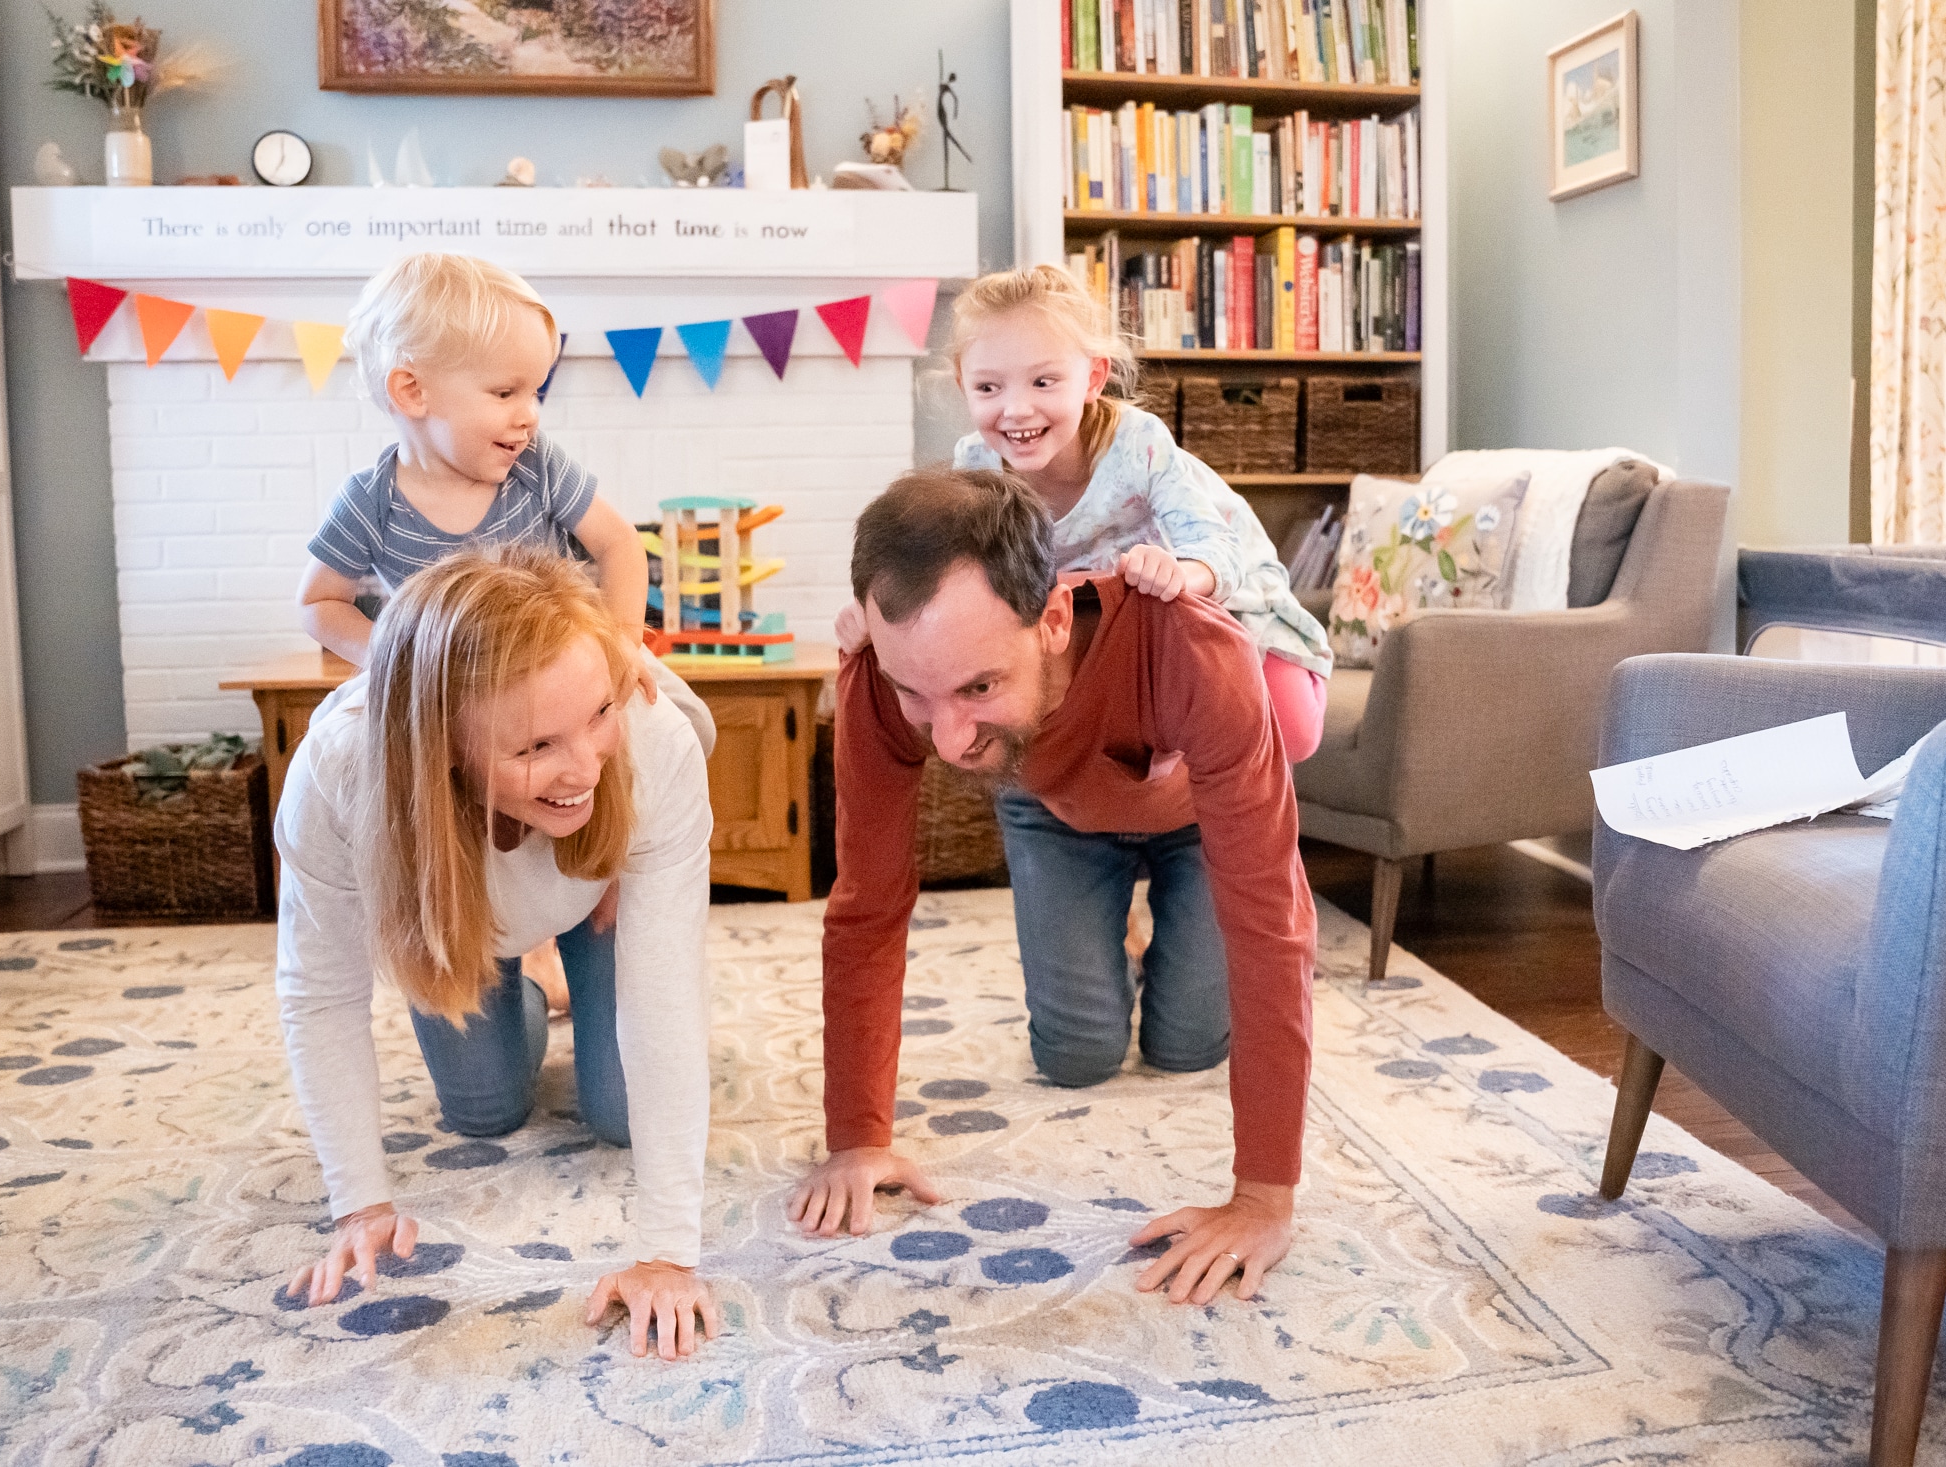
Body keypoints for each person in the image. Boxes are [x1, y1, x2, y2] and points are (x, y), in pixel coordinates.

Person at [790, 466, 1316, 1310]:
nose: (950, 740)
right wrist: (857, 1137)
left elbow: (1272, 925)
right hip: (1055, 811)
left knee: (1186, 1041)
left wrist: (1263, 1197)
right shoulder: (878, 682)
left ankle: (1157, 922)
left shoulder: (1194, 649)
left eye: (979, 687)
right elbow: (867, 908)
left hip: (1197, 825)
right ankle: (1113, 928)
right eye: (916, 692)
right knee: (1078, 1052)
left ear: (1055, 620)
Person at [274, 546, 717, 1361]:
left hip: (595, 889)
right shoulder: (337, 776)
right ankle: (532, 977)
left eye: (598, 713)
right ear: (446, 745)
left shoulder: (651, 741)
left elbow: (667, 997)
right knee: (484, 1110)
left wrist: (667, 1253)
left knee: (622, 1113)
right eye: (536, 746)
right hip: (463, 915)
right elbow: (320, 994)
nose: (584, 766)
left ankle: (565, 954)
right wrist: (360, 1204)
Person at [295, 250, 714, 1011]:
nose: (529, 414)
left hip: (565, 685)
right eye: (505, 392)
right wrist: (400, 660)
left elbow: (620, 546)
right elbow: (319, 602)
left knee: (683, 725)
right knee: (418, 792)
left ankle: (612, 866)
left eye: (535, 391)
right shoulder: (371, 502)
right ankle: (510, 943)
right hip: (465, 713)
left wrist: (621, 643)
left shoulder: (537, 468)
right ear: (412, 390)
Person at [834, 263, 1331, 762]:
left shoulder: (1137, 445)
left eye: (1043, 382)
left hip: (1205, 590)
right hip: (1092, 613)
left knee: (1294, 733)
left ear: (1093, 378)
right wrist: (874, 612)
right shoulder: (976, 465)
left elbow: (1219, 548)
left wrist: (1179, 572)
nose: (1016, 409)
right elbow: (937, 566)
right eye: (988, 388)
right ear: (964, 384)